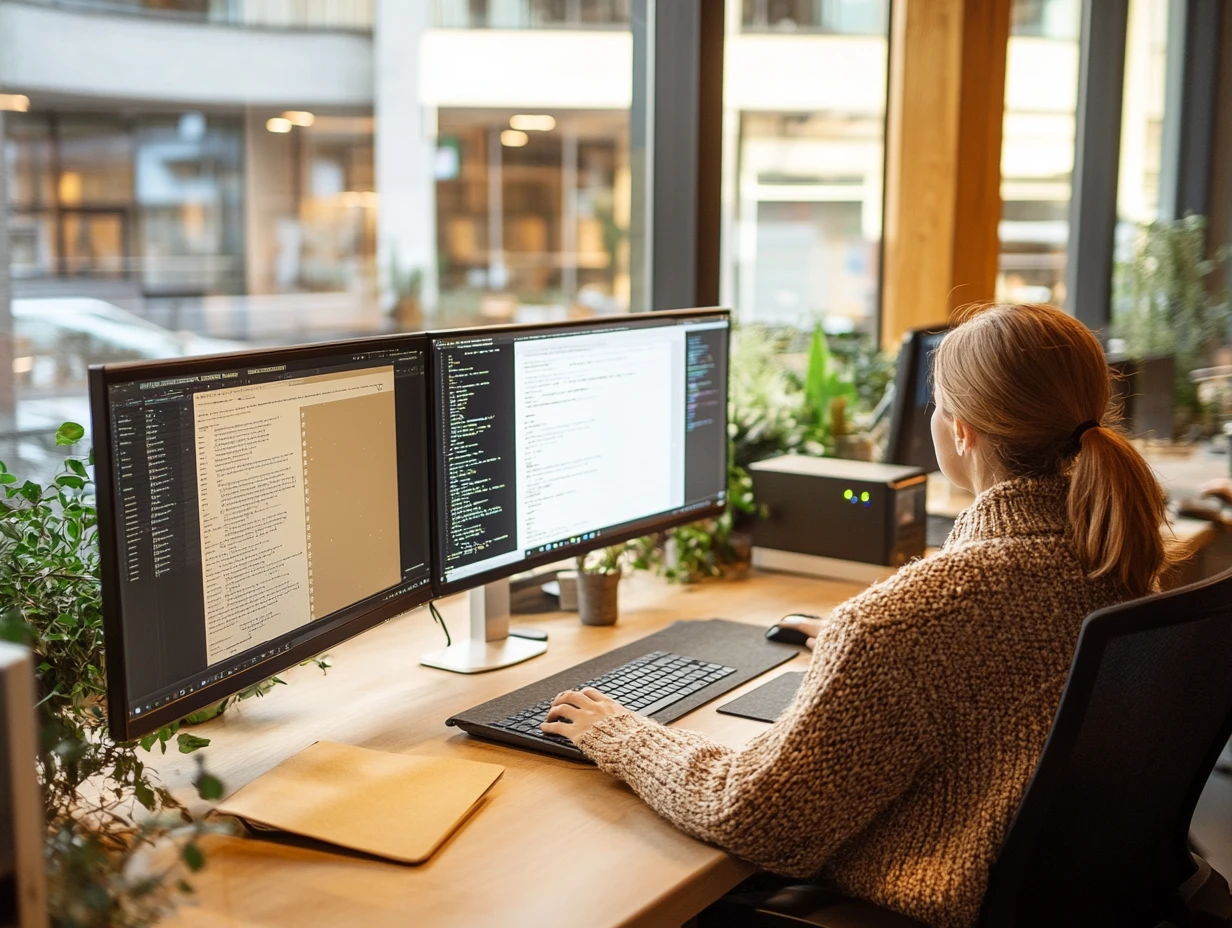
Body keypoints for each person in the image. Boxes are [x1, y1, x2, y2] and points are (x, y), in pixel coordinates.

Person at [541, 303, 1171, 928]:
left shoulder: (907, 623)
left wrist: (620, 735)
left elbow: (755, 820)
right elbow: (1003, 664)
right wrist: (862, 656)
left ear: (961, 431)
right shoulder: (1112, 553)